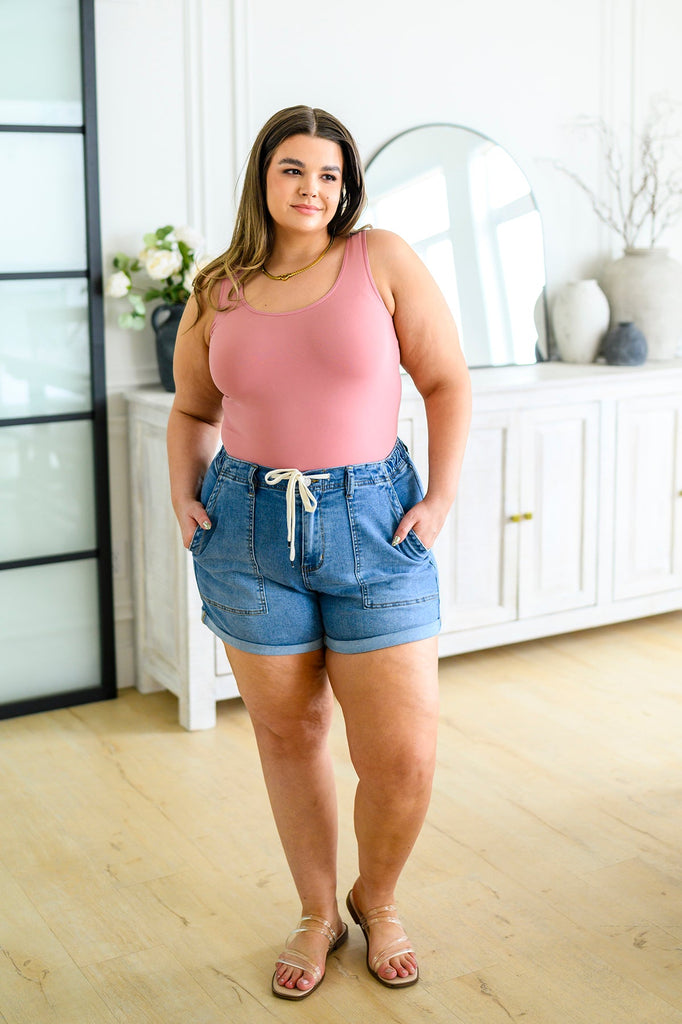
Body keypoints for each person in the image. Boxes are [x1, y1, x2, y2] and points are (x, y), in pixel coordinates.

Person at [167, 104, 471, 1001]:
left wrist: (440, 497)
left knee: (404, 755)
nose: (313, 188)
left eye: (330, 174)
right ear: (263, 177)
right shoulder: (218, 287)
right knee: (290, 735)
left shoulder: (382, 260)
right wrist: (184, 494)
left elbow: (446, 380)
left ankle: (377, 898)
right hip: (246, 529)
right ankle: (315, 912)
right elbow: (193, 408)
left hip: (373, 521)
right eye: (294, 169)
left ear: (347, 187)